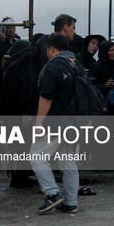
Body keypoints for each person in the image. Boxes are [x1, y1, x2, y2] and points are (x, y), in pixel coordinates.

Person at [30, 33, 79, 214]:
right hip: (74, 123)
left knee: (36, 156)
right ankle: (71, 203)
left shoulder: (53, 66)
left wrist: (38, 124)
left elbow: (46, 98)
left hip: (56, 122)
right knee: (68, 162)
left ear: (51, 48)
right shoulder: (76, 64)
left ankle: (52, 194)